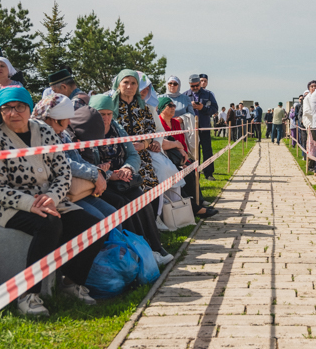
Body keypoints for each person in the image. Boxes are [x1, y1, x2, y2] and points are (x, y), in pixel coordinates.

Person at [0, 87, 106, 317]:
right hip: (12, 205)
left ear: (29, 108)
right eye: (7, 108)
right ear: (0, 112)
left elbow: (63, 172)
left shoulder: (45, 131)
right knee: (49, 225)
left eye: (20, 107)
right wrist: (30, 203)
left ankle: (71, 282)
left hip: (52, 200)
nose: (14, 112)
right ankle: (29, 295)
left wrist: (53, 197)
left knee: (94, 226)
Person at [88, 93, 173, 262]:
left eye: (109, 113)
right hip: (101, 183)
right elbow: (87, 164)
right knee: (122, 203)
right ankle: (139, 251)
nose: (106, 118)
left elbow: (133, 154)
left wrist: (127, 168)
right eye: (101, 114)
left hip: (122, 178)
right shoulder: (87, 132)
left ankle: (155, 246)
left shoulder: (116, 128)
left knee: (141, 198)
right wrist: (109, 175)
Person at [31, 94, 119, 224]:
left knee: (113, 215)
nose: (69, 123)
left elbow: (77, 159)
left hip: (75, 190)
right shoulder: (37, 135)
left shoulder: (62, 134)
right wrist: (95, 174)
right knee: (99, 222)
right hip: (55, 194)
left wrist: (98, 173)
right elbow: (64, 162)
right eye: (67, 118)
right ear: (54, 118)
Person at [158, 97, 218, 219]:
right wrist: (178, 150)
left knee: (191, 169)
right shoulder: (158, 123)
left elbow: (182, 142)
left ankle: (197, 201)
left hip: (178, 157)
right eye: (170, 106)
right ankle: (194, 208)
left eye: (174, 106)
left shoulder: (175, 123)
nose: (173, 108)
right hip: (165, 158)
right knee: (184, 175)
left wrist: (184, 157)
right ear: (162, 108)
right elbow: (161, 145)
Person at [184, 74, 218, 179]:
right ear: (189, 85)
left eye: (197, 85)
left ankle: (208, 173)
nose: (195, 88)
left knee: (207, 150)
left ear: (200, 83)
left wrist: (202, 108)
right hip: (191, 128)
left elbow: (214, 109)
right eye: (192, 86)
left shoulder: (208, 94)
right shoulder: (185, 95)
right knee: (193, 151)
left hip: (204, 126)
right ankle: (194, 174)